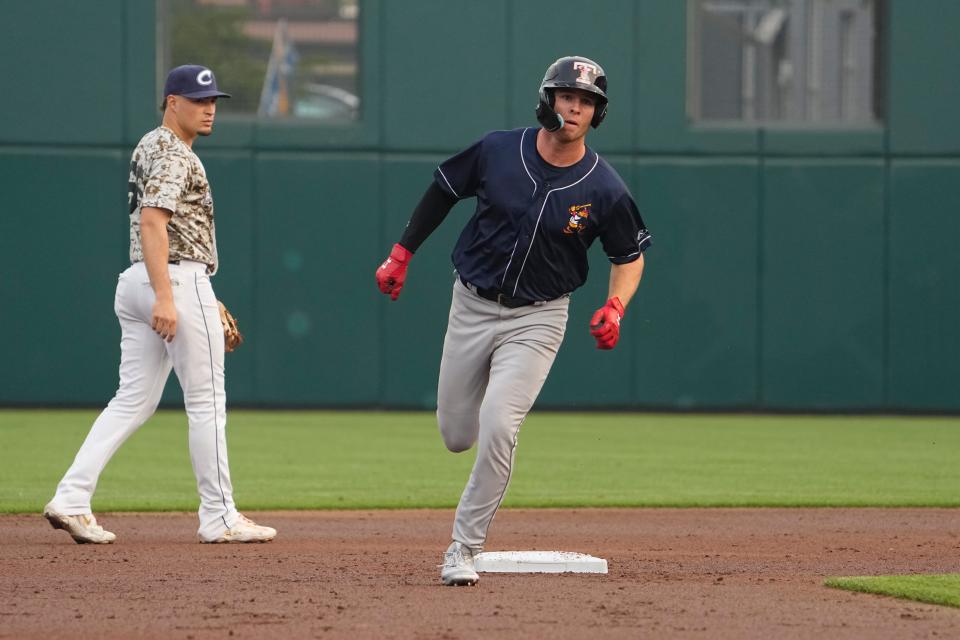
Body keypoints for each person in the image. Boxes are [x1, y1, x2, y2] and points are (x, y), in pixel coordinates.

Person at [375, 56, 651, 585]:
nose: (575, 107)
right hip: (472, 304)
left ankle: (463, 547)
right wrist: (401, 253)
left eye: (587, 101)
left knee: (500, 424)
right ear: (547, 99)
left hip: (539, 317)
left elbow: (629, 257)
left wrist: (616, 305)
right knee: (457, 435)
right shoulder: (500, 149)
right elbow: (442, 191)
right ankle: (480, 425)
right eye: (567, 95)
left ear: (597, 115)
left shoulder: (604, 187)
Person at [43, 65, 276, 545]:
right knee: (207, 400)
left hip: (139, 280)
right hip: (171, 277)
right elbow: (153, 222)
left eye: (213, 100)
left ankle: (71, 496)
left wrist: (169, 288)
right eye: (198, 99)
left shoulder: (151, 143)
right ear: (173, 101)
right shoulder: (174, 153)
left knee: (132, 400)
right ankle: (220, 516)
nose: (209, 108)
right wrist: (171, 295)